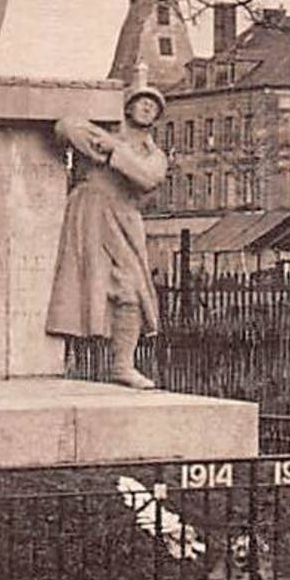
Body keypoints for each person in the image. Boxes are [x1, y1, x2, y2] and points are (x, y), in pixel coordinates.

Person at [45, 81, 169, 389]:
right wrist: (106, 144)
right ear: (127, 106)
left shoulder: (155, 154)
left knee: (132, 290)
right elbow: (66, 127)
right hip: (89, 211)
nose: (147, 108)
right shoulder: (104, 130)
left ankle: (122, 365)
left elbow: (147, 177)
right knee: (81, 287)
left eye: (153, 107)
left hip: (124, 217)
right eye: (142, 102)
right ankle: (61, 361)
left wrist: (116, 153)